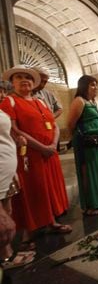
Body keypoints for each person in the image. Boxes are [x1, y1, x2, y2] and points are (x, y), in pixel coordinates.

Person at [0, 65, 71, 252]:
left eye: (28, 77)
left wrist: (53, 145)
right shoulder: (9, 101)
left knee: (49, 189)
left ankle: (51, 221)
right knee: (32, 192)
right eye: (19, 77)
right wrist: (42, 147)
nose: (25, 80)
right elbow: (15, 130)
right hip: (29, 155)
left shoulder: (41, 102)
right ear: (12, 82)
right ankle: (27, 234)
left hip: (49, 154)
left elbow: (53, 124)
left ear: (34, 82)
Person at [67, 75, 98, 216]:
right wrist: (78, 139)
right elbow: (70, 123)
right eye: (92, 85)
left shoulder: (92, 102)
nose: (95, 87)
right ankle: (91, 205)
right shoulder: (79, 101)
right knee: (89, 172)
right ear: (83, 86)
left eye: (96, 85)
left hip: (97, 142)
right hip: (86, 143)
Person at [0, 109, 35, 269]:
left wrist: (15, 141)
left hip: (6, 172)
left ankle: (6, 253)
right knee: (4, 225)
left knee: (8, 213)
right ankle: (5, 258)